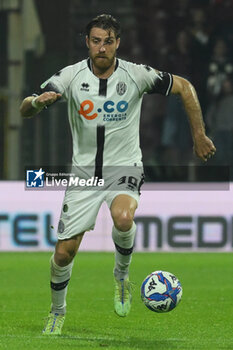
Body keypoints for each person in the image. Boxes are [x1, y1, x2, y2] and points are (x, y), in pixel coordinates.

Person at [20, 14, 216, 335]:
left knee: (123, 218)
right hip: (84, 177)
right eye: (96, 41)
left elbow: (184, 86)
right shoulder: (70, 76)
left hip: (125, 167)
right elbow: (25, 108)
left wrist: (199, 135)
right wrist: (37, 103)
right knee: (63, 253)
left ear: (117, 43)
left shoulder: (136, 75)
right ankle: (57, 312)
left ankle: (122, 276)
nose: (101, 47)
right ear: (87, 43)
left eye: (108, 41)